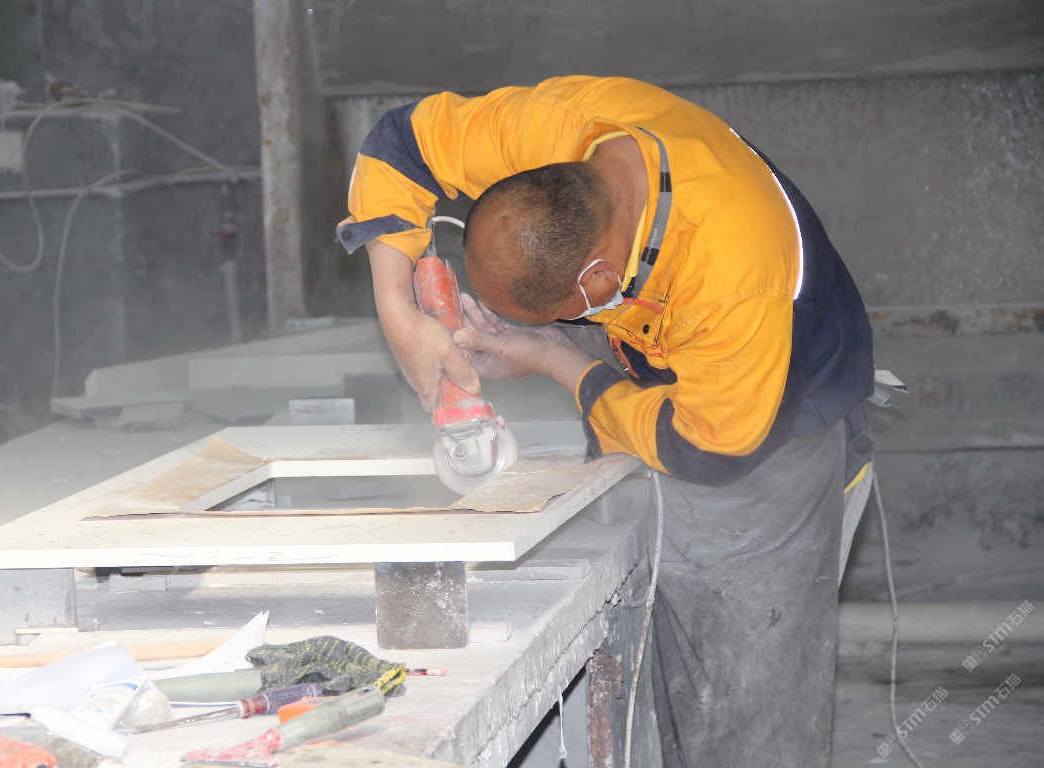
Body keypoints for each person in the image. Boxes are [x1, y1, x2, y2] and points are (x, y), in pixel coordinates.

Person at [337, 75, 876, 767]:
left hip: (767, 427)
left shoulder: (734, 279)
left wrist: (560, 361)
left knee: (741, 702)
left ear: (597, 281)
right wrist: (398, 314)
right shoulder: (559, 126)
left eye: (561, 313)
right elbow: (401, 144)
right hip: (671, 333)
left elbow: (710, 449)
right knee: (644, 671)